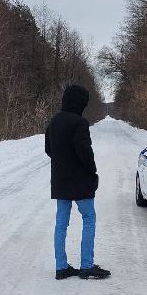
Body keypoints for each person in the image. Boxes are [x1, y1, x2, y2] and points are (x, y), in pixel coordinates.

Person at [45, 84, 110, 280]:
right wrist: (92, 171)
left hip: (60, 181)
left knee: (61, 223)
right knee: (89, 218)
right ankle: (86, 266)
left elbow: (49, 150)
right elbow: (85, 153)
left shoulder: (54, 121)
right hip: (80, 182)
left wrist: (63, 161)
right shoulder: (79, 123)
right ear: (79, 102)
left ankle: (61, 267)